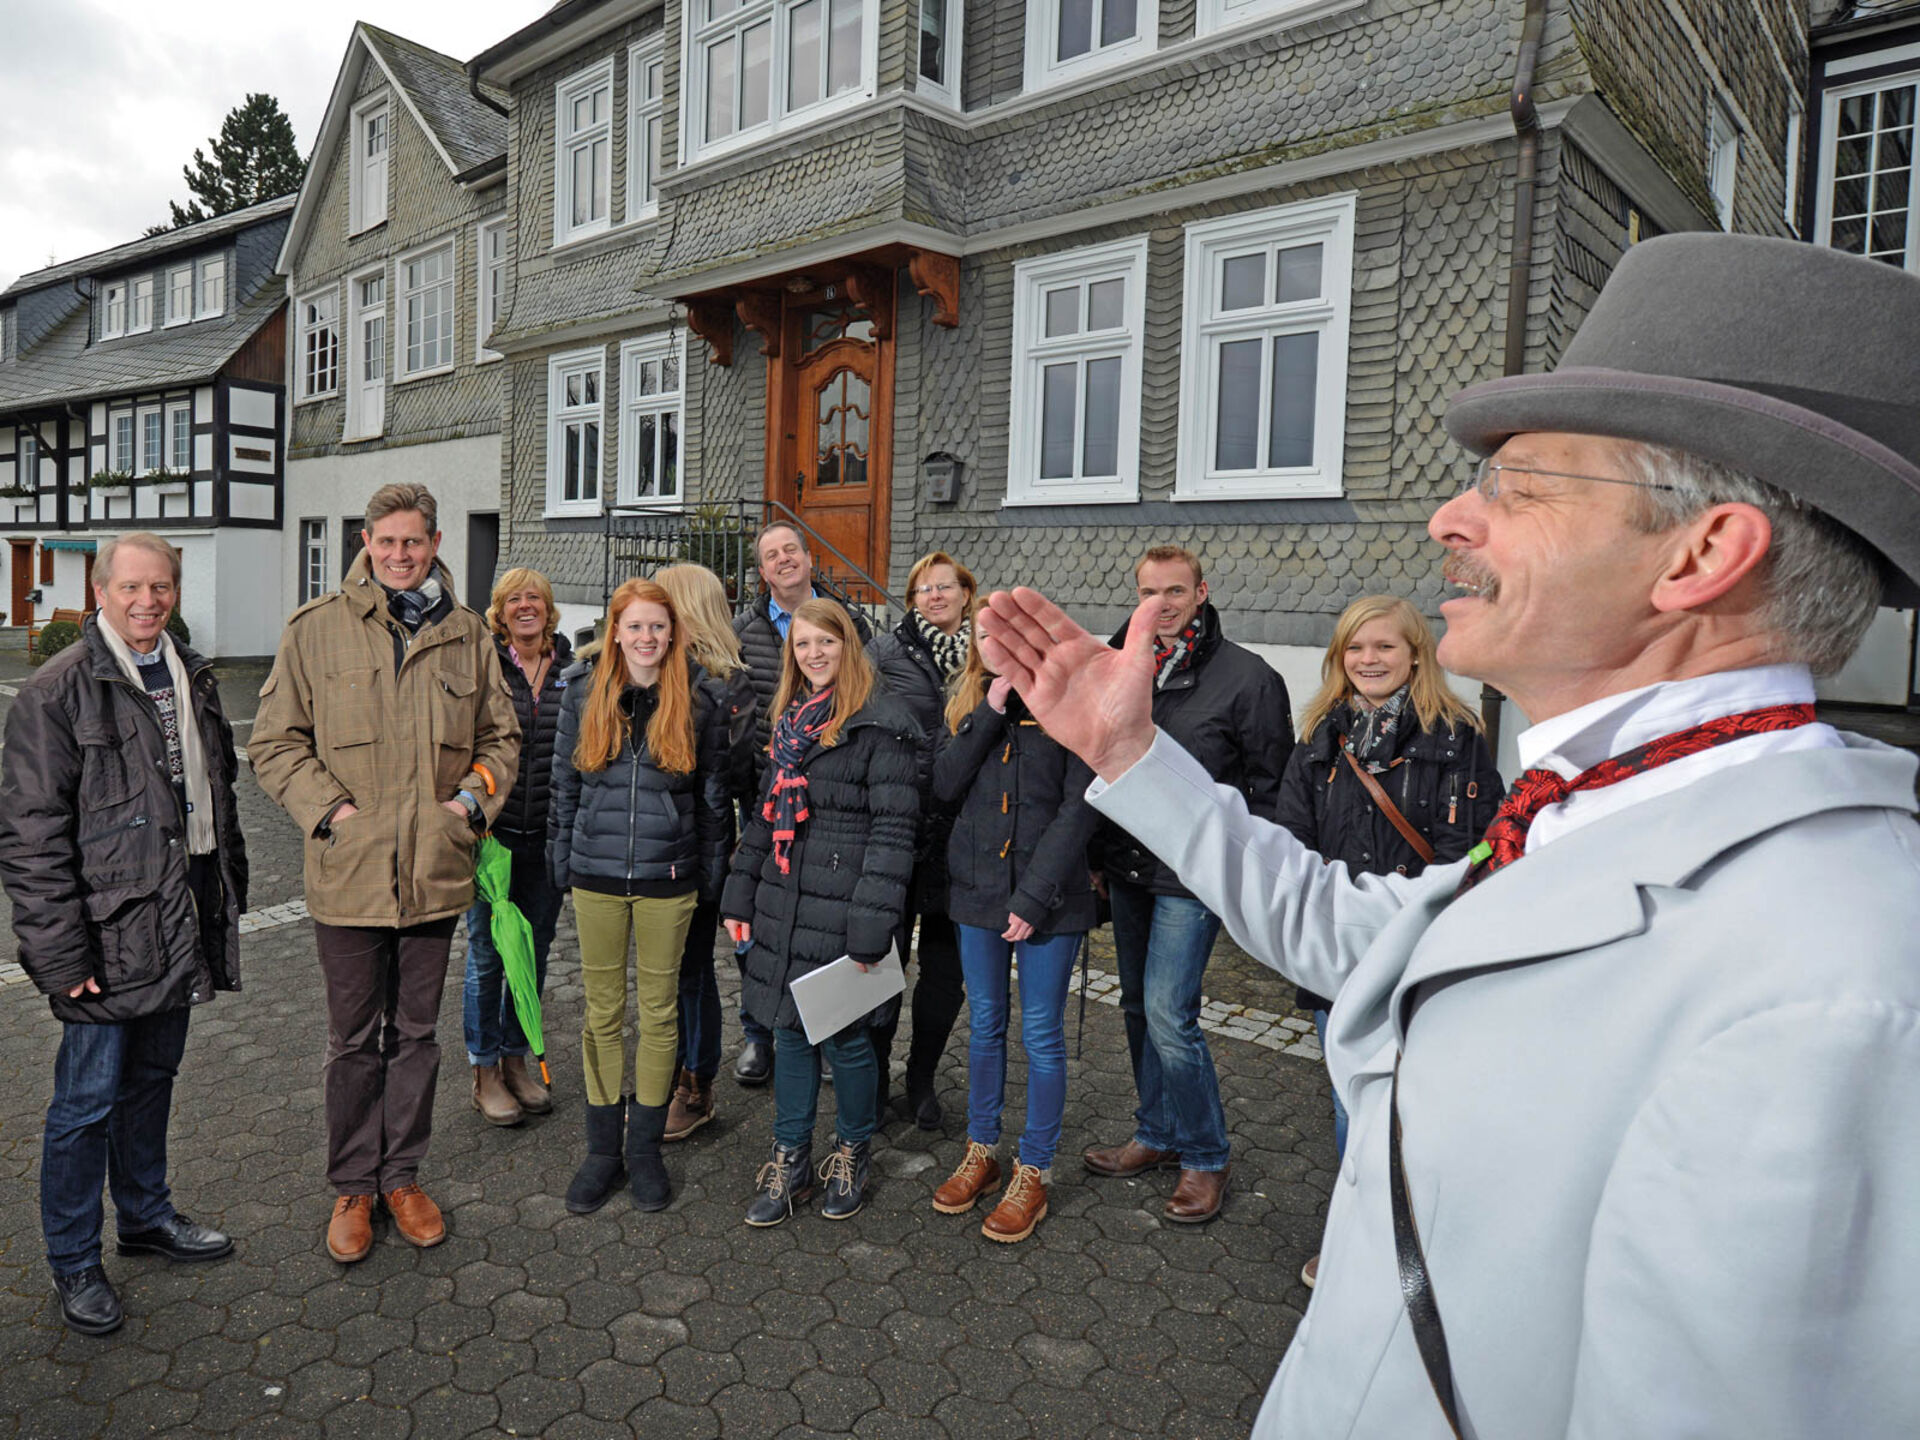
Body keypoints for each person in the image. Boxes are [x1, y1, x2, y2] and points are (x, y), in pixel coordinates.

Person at [978, 233, 1920, 1438]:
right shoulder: (1609, 800)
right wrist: (1127, 755)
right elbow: (1347, 929)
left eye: (1518, 488)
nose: (1447, 518)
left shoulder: (1837, 982)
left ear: (1703, 553)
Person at [251, 483, 518, 1265]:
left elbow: (501, 740)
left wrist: (468, 807)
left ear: (435, 544)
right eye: (386, 541)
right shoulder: (315, 630)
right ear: (366, 542)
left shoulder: (468, 635)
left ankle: (402, 1176)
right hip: (350, 877)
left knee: (416, 1036)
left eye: (414, 542)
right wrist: (331, 815)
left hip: (435, 873)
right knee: (351, 1041)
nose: (400, 555)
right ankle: (352, 1187)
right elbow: (274, 743)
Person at [0, 533, 249, 1335]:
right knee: (82, 1107)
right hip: (104, 939)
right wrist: (61, 956)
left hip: (174, 915)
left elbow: (216, 796)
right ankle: (74, 1261)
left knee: (151, 1083)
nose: (149, 601)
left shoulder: (191, 674)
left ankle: (144, 1218)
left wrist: (224, 897)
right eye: (132, 587)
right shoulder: (57, 691)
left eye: (162, 587)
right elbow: (31, 837)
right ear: (98, 591)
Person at [1277, 594, 1503, 1287]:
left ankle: (1419, 1235)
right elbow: (1293, 844)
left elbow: (1474, 848)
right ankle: (1360, 1236)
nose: (1369, 660)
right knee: (1353, 1099)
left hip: (1420, 952)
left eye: (1384, 647)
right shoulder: (1319, 734)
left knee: (1417, 1102)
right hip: (1343, 958)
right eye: (1356, 648)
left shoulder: (1456, 736)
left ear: (1415, 655)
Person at [1082, 545, 1291, 1224]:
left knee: (1172, 1014)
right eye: (1150, 592)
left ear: (1201, 592)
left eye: (1175, 591)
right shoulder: (1120, 665)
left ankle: (1206, 1154)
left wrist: (1239, 866)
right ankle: (1157, 1132)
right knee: (1139, 1009)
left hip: (1191, 875)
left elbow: (1271, 785)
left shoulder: (1247, 677)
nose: (1162, 605)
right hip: (1129, 865)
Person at [722, 600, 919, 1226]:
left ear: (849, 646)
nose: (813, 653)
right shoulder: (789, 722)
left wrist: (873, 921)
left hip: (844, 906)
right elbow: (761, 816)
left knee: (847, 1039)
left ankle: (852, 1150)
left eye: (825, 642)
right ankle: (791, 1157)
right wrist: (739, 891)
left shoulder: (881, 724)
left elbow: (894, 833)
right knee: (787, 1030)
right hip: (784, 900)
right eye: (802, 644)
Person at [548, 578, 732, 1214]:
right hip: (596, 876)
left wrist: (712, 874)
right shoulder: (580, 690)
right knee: (601, 1013)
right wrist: (561, 859)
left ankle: (646, 1148)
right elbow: (563, 784)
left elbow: (713, 800)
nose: (646, 638)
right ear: (615, 631)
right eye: (634, 627)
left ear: (673, 633)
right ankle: (603, 1151)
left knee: (658, 1012)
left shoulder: (700, 698)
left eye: (658, 626)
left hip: (668, 878)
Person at [928, 635, 1098, 1243]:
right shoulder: (970, 701)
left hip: (1050, 900)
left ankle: (1035, 1168)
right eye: (989, 642)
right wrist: (991, 709)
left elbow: (1080, 808)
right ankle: (982, 1149)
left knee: (1042, 1035)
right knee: (986, 1024)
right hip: (975, 892)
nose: (1002, 652)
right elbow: (944, 785)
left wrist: (1032, 897)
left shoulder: (1072, 706)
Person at [729, 521, 875, 1086]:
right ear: (762, 571)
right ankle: (759, 1031)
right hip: (770, 799)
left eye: (791, 549)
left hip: (835, 799)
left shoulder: (848, 622)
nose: (784, 560)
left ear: (809, 559)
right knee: (764, 921)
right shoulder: (744, 631)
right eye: (772, 555)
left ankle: (824, 1028)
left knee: (822, 922)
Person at [866, 550, 975, 1128]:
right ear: (911, 601)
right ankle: (877, 1079)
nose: (934, 596)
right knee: (884, 964)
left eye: (945, 587)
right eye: (922, 589)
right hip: (898, 829)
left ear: (965, 593)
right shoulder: (883, 653)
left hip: (962, 835)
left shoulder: (987, 655)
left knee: (944, 969)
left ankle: (923, 1079)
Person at [652, 563, 759, 1142]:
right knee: (665, 974)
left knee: (692, 971)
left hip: (702, 850)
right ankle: (668, 1074)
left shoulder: (727, 684)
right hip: (657, 849)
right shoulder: (663, 674)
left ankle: (697, 1083)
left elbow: (727, 774)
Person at [465, 568, 574, 1127]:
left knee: (532, 953)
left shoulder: (574, 672)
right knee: (488, 956)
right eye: (513, 599)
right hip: (495, 836)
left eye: (534, 598)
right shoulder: (485, 667)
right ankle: (483, 1069)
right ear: (500, 612)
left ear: (548, 609)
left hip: (550, 837)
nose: (525, 606)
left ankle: (515, 1058)